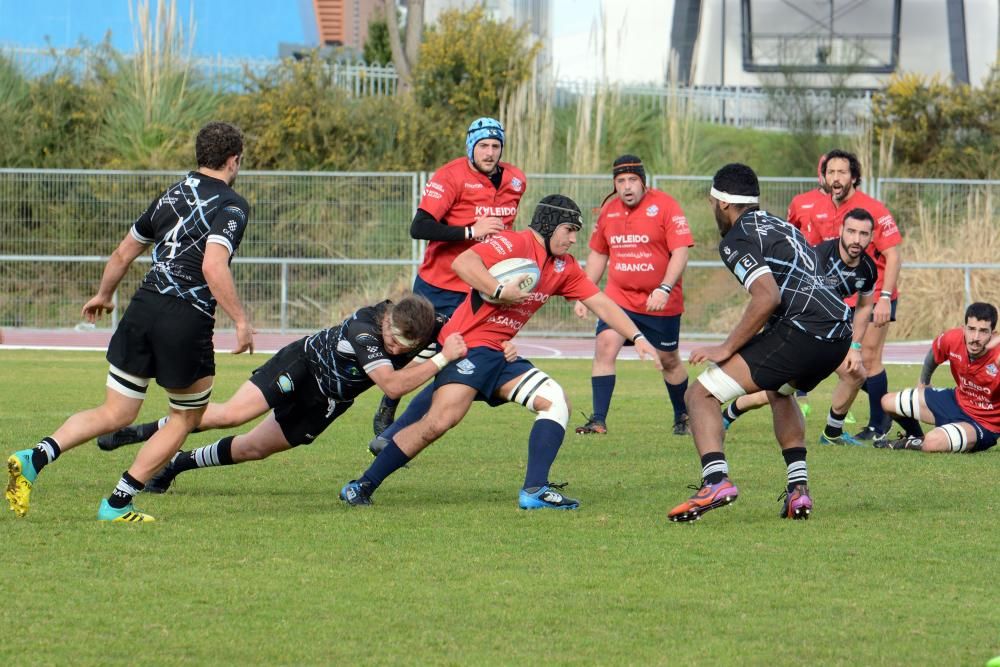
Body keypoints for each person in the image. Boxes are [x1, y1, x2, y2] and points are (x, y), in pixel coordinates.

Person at [339, 194, 661, 510]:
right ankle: (363, 485)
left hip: (500, 355)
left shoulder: (563, 267)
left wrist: (637, 336)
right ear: (549, 226)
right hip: (469, 348)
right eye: (569, 230)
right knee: (438, 422)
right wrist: (497, 289)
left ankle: (535, 490)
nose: (574, 239)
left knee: (556, 401)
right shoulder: (517, 244)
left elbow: (600, 302)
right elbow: (463, 262)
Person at [5, 121, 253, 522]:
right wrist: (241, 320)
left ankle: (34, 457)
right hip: (184, 319)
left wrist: (104, 295)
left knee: (115, 412)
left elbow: (123, 254)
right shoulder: (232, 205)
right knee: (186, 417)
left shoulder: (170, 195)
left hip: (142, 306)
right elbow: (213, 264)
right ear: (234, 160)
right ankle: (117, 503)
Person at [95, 296, 474, 491]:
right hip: (301, 366)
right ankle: (143, 432)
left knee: (252, 448)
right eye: (391, 339)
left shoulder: (426, 325)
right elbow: (392, 384)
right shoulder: (366, 327)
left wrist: (501, 348)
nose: (394, 348)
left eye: (404, 345)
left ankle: (176, 465)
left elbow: (471, 330)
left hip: (327, 401)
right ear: (387, 322)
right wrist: (442, 359)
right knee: (230, 415)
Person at [667, 163, 854, 523]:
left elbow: (766, 296)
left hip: (805, 330)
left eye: (711, 202)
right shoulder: (783, 226)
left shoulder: (735, 238)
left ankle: (715, 481)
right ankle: (798, 490)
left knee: (699, 395)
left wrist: (726, 348)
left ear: (721, 203)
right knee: (779, 391)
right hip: (839, 334)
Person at [371, 117, 527, 438]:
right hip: (438, 285)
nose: (490, 152)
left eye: (496, 146)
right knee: (416, 347)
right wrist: (471, 230)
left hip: (478, 288)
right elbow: (419, 227)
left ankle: (402, 432)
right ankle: (391, 397)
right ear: (471, 146)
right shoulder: (450, 175)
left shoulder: (516, 181)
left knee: (458, 355)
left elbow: (505, 234)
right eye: (483, 145)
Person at [720, 208, 879, 446]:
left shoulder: (867, 268)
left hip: (829, 331)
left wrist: (855, 346)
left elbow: (865, 307)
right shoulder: (820, 256)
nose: (856, 239)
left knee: (855, 373)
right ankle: (724, 413)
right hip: (794, 326)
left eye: (863, 234)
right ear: (840, 231)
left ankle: (832, 435)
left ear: (871, 237)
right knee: (774, 389)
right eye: (851, 231)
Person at [572, 155, 694, 436]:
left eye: (632, 180)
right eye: (620, 181)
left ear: (643, 182)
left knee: (669, 361)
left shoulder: (666, 206)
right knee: (605, 346)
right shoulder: (608, 211)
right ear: (614, 184)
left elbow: (681, 251)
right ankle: (598, 420)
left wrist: (664, 288)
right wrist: (584, 294)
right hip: (619, 298)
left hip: (660, 302)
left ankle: (683, 416)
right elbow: (599, 253)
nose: (627, 187)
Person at [792, 149, 903, 442]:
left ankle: (880, 425)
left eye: (843, 172)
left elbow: (893, 256)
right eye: (831, 172)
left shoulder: (872, 209)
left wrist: (885, 297)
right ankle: (885, 414)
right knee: (842, 362)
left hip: (873, 295)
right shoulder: (819, 206)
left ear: (854, 176)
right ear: (823, 177)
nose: (836, 177)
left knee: (867, 358)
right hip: (837, 300)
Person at [876, 302, 1000, 453]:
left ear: (993, 335)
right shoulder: (953, 338)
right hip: (956, 402)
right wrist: (924, 381)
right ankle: (915, 435)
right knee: (887, 402)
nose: (975, 337)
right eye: (971, 329)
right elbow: (934, 354)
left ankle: (909, 443)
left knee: (933, 443)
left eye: (983, 331)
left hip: (982, 424)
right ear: (964, 328)